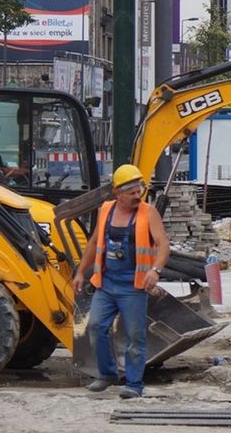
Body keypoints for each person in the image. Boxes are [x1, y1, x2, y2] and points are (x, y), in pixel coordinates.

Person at [72, 164, 170, 398]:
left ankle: (134, 385)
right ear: (117, 192)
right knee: (96, 327)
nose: (138, 195)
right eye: (132, 192)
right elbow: (95, 242)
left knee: (135, 336)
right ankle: (107, 374)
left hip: (133, 286)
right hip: (105, 283)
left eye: (139, 190)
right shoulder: (105, 209)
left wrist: (155, 270)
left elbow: (163, 244)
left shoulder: (148, 213)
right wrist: (79, 272)